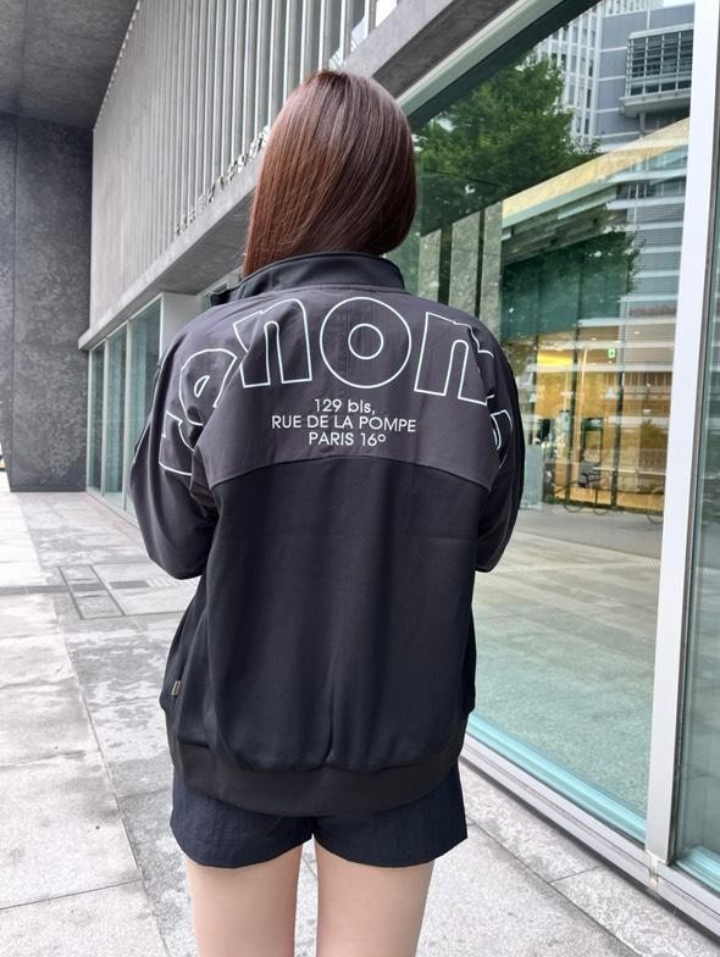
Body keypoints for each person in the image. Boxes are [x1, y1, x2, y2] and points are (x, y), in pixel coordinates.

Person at [129, 67, 525, 957]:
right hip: (404, 733)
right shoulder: (469, 352)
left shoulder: (211, 347)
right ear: (396, 195)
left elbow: (173, 541)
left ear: (282, 187)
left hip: (235, 728)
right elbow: (486, 539)